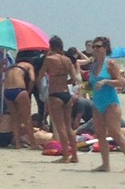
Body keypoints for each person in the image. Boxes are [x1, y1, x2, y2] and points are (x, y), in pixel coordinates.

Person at [89, 36, 125, 173]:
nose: (95, 49)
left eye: (98, 46)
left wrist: (106, 82)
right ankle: (105, 165)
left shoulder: (110, 63)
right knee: (100, 133)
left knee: (115, 132)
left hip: (111, 102)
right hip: (97, 102)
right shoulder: (93, 65)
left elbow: (121, 82)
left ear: (105, 48)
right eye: (94, 46)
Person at [38, 35, 78, 163]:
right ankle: (75, 156)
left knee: (59, 126)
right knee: (68, 126)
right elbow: (74, 79)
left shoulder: (49, 59)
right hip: (67, 93)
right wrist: (63, 80)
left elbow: (40, 75)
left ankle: (66, 155)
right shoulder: (67, 60)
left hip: (55, 93)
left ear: (51, 46)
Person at [4, 57, 37, 149]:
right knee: (27, 118)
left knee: (14, 118)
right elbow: (33, 79)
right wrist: (29, 91)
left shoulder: (10, 67)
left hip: (7, 91)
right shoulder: (28, 65)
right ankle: (33, 144)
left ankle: (17, 144)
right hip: (19, 90)